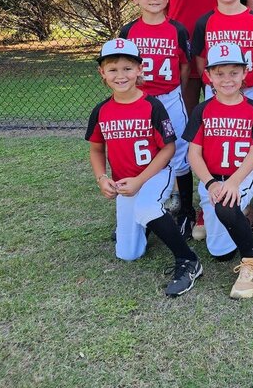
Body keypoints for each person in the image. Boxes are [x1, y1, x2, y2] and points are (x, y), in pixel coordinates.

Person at [86, 38, 202, 297]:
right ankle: (150, 223)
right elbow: (96, 148)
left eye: (127, 68)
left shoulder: (152, 106)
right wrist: (101, 177)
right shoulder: (102, 110)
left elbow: (168, 149)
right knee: (129, 253)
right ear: (102, 73)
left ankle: (188, 260)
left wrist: (140, 180)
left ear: (140, 69)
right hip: (125, 183)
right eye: (112, 69)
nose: (120, 75)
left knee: (146, 206)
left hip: (156, 174)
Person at [183, 42, 253, 299]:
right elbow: (193, 153)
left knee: (226, 206)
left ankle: (252, 263)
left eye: (234, 72)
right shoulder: (203, 109)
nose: (227, 79)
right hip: (212, 179)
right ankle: (241, 216)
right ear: (208, 76)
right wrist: (210, 183)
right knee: (220, 253)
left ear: (245, 73)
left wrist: (233, 182)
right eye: (219, 73)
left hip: (241, 176)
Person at [119, 0, 195, 238]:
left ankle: (187, 211)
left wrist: (175, 93)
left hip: (170, 96)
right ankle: (145, 210)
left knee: (179, 153)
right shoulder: (128, 31)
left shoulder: (177, 29)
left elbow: (184, 68)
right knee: (142, 153)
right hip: (140, 100)